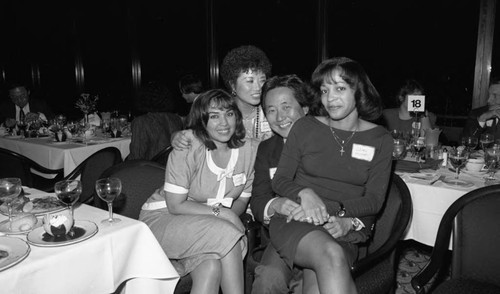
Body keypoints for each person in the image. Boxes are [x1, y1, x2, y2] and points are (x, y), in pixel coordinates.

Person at [270, 57, 393, 294]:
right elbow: (281, 179)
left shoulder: (380, 139)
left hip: (342, 227)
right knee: (331, 255)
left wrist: (338, 214)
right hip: (298, 219)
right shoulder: (305, 127)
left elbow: (375, 200)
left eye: (340, 88)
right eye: (325, 90)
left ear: (360, 92)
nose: (330, 97)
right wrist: (304, 193)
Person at [139, 89, 259, 294]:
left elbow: (242, 201)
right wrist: (224, 215)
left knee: (210, 267)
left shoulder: (250, 149)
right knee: (228, 236)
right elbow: (175, 205)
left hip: (208, 225)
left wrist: (226, 216)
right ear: (201, 121)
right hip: (163, 218)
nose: (224, 123)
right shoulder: (189, 145)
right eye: (214, 116)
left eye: (229, 114)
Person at [250, 74, 313, 294]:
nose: (279, 117)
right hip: (282, 234)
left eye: (287, 107)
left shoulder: (329, 142)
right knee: (268, 279)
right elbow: (258, 199)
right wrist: (275, 204)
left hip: (324, 232)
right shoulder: (267, 149)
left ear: (305, 108)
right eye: (271, 110)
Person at [171, 45, 273, 149]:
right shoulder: (219, 111)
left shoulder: (271, 110)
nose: (258, 87)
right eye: (250, 81)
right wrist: (176, 136)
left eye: (262, 80)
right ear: (233, 85)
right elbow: (193, 132)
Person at [128, 81, 184, 161]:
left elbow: (137, 156)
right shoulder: (176, 119)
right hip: (172, 165)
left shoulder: (141, 122)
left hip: (150, 169)